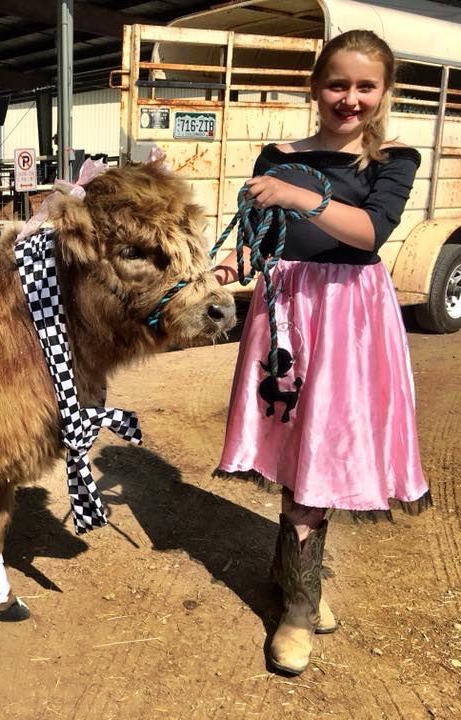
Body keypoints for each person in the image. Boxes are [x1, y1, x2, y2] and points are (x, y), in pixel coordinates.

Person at [212, 30, 430, 676]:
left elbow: (368, 234)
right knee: (291, 446)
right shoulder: (276, 154)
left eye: (366, 86)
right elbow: (263, 239)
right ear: (315, 87)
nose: (351, 99)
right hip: (284, 315)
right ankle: (297, 581)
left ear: (385, 91)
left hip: (350, 319)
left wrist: (299, 195)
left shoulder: (394, 159)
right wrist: (236, 261)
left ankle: (299, 610)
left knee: (324, 451)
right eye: (338, 84)